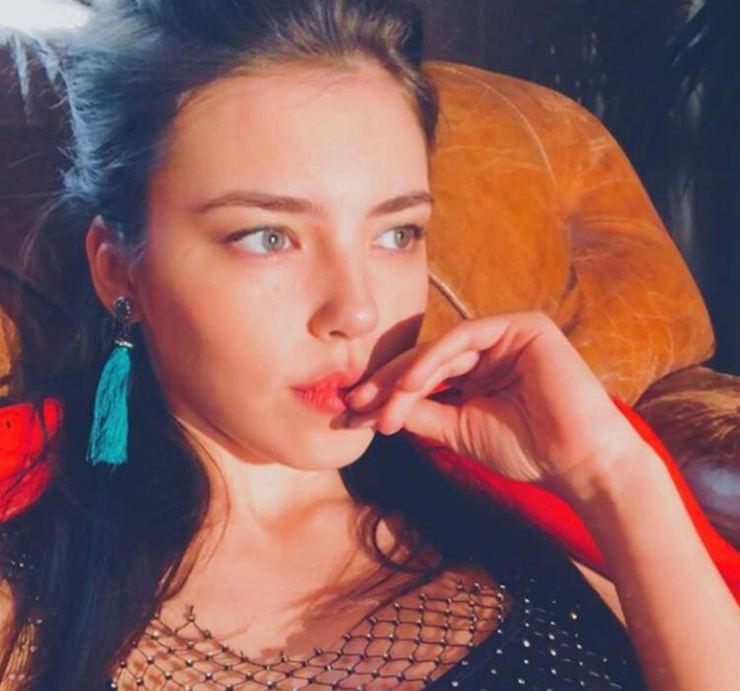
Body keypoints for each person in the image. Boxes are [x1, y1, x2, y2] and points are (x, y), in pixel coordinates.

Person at [0, 0, 738, 688]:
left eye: (397, 233)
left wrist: (613, 475)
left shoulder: (533, 506)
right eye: (267, 237)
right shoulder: (32, 592)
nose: (357, 310)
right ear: (118, 267)